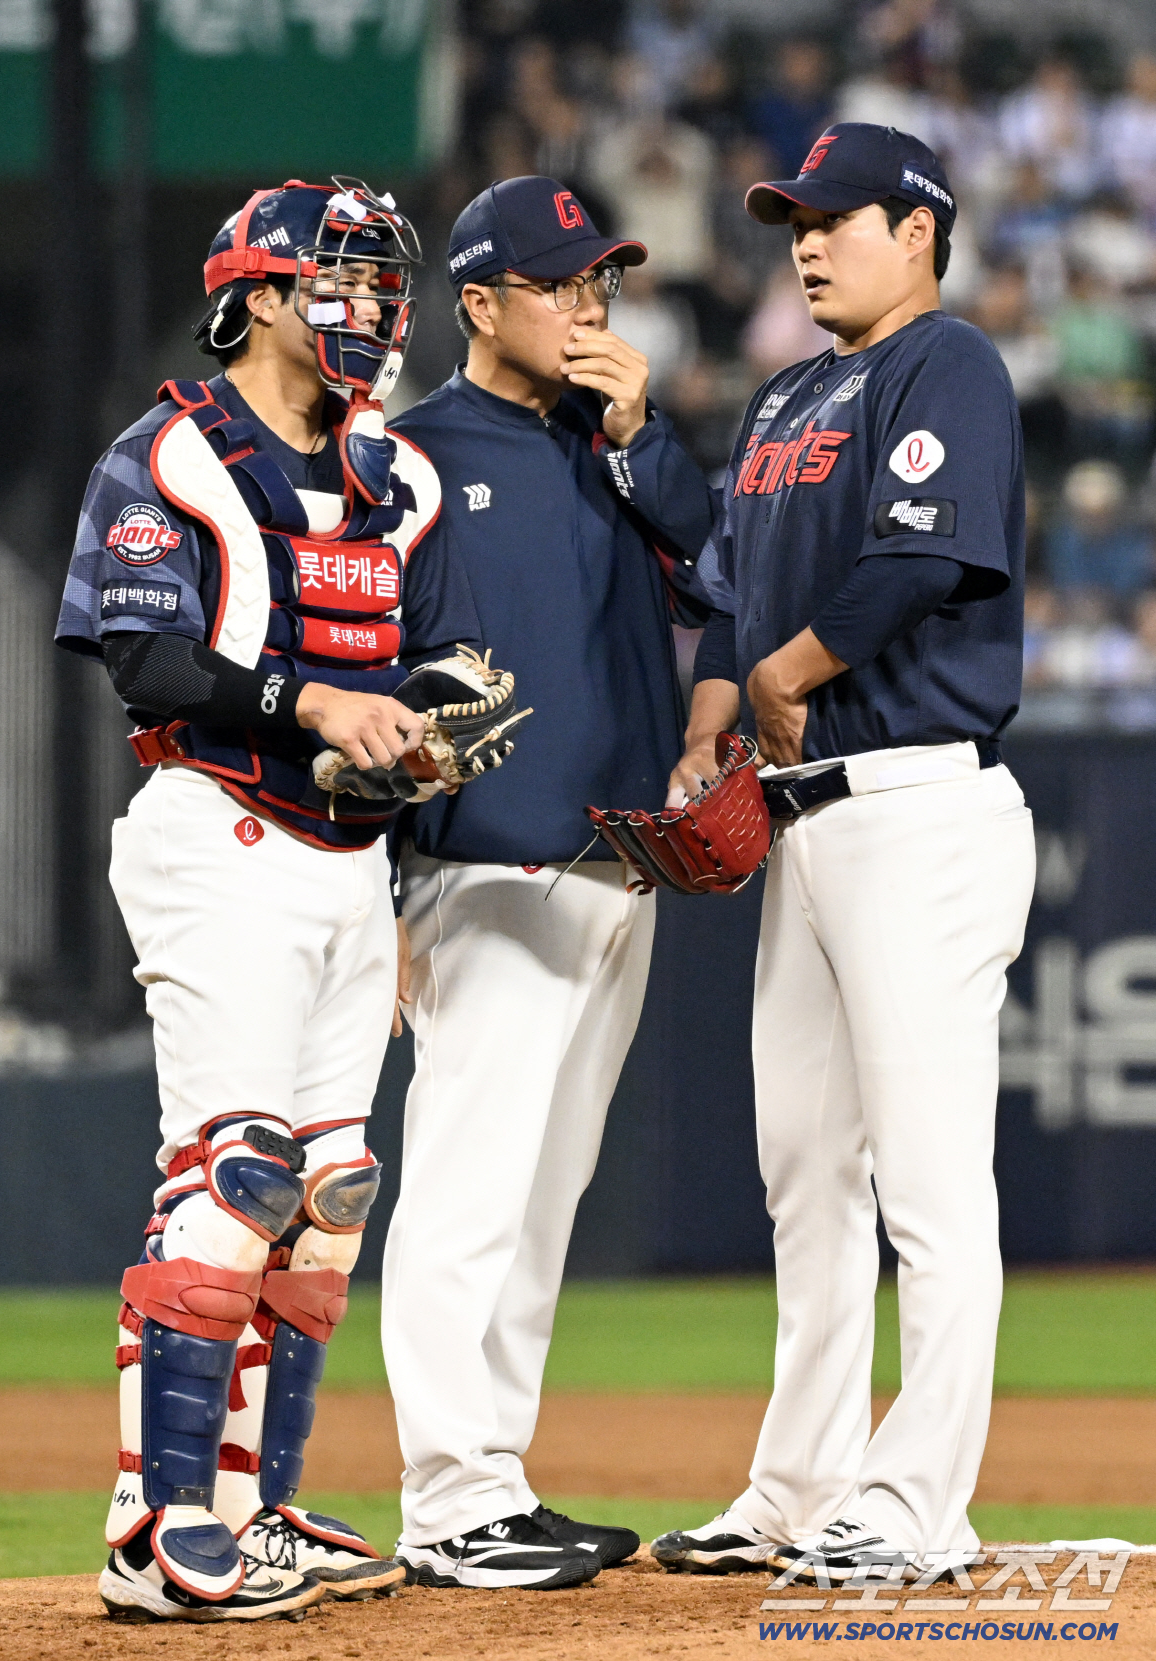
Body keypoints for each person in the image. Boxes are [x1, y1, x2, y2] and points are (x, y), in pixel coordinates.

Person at [55, 178, 483, 1622]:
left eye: (380, 282)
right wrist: (319, 702)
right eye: (343, 281)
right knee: (233, 1171)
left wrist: (418, 750)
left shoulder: (395, 479)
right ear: (263, 293)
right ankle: (155, 1518)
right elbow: (148, 662)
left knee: (331, 1190)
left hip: (351, 866)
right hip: (214, 832)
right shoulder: (170, 450)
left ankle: (256, 1501)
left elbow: (394, 692)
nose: (368, 310)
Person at [651, 124, 1036, 1583]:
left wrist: (787, 674)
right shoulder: (781, 397)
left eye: (836, 217)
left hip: (919, 801)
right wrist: (712, 720)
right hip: (806, 820)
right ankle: (802, 1482)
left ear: (920, 228)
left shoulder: (950, 368)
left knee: (929, 1181)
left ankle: (920, 1497)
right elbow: (731, 596)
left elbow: (923, 555)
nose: (805, 241)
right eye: (791, 220)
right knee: (804, 1172)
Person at [379, 175, 716, 1590]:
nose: (590, 306)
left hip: (615, 867)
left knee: (545, 1190)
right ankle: (447, 1492)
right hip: (486, 871)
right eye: (561, 282)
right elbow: (358, 678)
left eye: (601, 282)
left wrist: (644, 435)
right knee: (469, 1186)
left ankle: (493, 1479)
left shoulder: (615, 444)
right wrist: (384, 888)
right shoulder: (401, 455)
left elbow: (724, 572)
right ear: (480, 302)